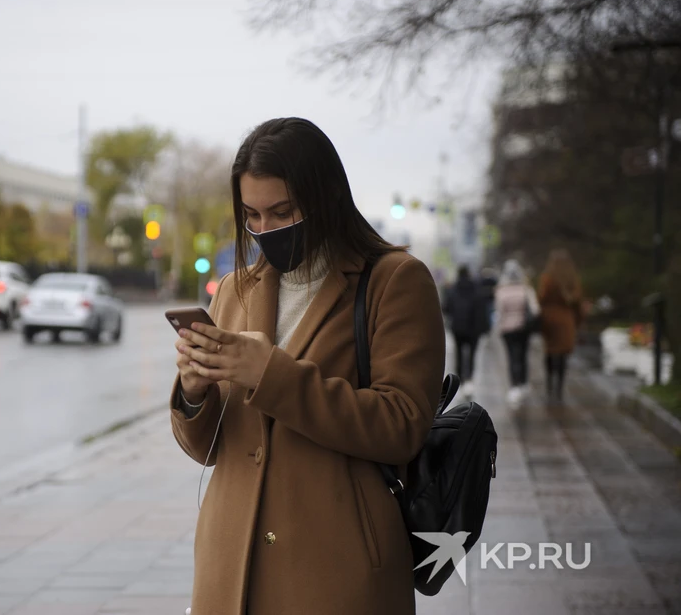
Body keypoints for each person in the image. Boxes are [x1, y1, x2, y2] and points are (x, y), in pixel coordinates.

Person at [170, 118, 446, 615]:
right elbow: (208, 451)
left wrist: (269, 373)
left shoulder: (395, 281)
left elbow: (402, 424)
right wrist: (193, 393)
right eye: (251, 215)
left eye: (282, 212)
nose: (264, 230)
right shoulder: (236, 289)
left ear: (324, 198)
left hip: (334, 569)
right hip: (229, 568)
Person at [539, 249, 583, 403]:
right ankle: (559, 388)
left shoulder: (547, 278)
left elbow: (541, 298)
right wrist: (578, 320)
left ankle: (550, 384)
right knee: (563, 354)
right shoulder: (572, 279)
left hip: (550, 320)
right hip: (566, 320)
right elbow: (578, 303)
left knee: (550, 352)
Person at [495, 259, 540, 409]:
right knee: (522, 355)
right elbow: (535, 310)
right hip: (523, 328)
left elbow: (499, 312)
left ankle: (514, 386)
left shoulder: (501, 290)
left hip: (507, 329)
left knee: (512, 356)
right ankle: (524, 383)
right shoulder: (526, 290)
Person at [442, 265, 484, 395]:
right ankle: (469, 379)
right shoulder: (476, 288)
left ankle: (460, 379)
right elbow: (481, 307)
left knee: (459, 353)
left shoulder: (453, 289)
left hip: (458, 328)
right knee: (472, 354)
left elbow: (446, 307)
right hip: (473, 328)